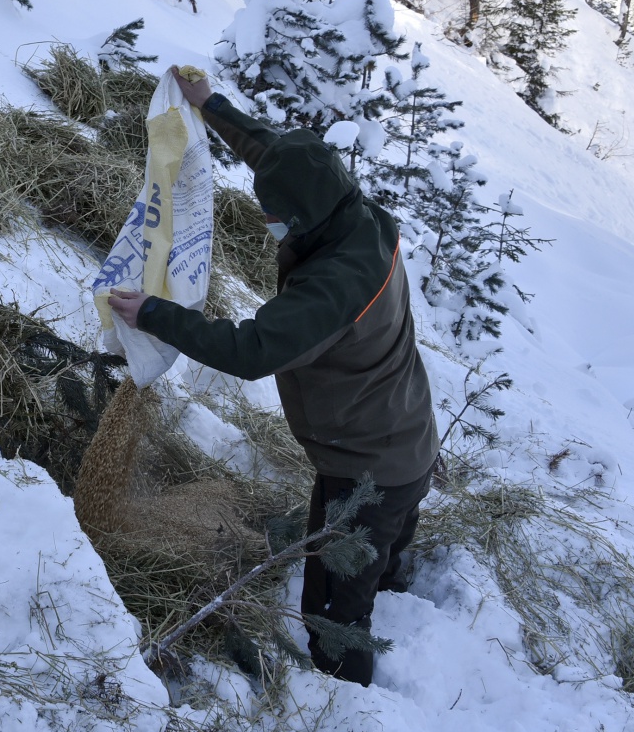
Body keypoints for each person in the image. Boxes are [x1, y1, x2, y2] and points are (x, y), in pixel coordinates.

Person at [108, 68, 438, 687]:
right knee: (383, 550)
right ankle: (389, 575)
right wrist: (213, 108)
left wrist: (155, 313)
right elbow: (282, 157)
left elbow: (251, 349)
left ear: (302, 221)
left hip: (367, 469)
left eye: (275, 218)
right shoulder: (358, 216)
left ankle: (349, 703)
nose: (269, 225)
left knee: (335, 610)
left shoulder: (332, 288)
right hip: (409, 431)